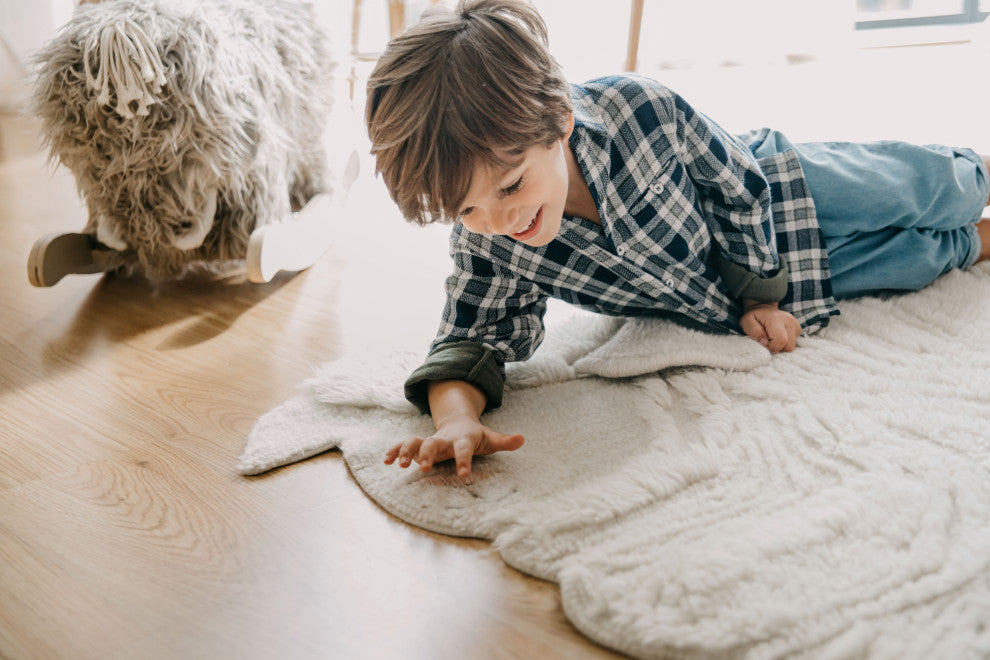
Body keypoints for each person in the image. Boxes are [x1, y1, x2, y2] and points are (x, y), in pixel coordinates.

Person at [365, 0, 990, 477]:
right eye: (466, 209)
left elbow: (736, 184)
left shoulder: (638, 107)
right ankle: (977, 242)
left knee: (933, 189)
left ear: (558, 122)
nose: (499, 220)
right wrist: (455, 420)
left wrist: (760, 294)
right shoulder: (490, 243)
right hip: (777, 289)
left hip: (785, 190)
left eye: (510, 186)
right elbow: (469, 338)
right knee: (923, 257)